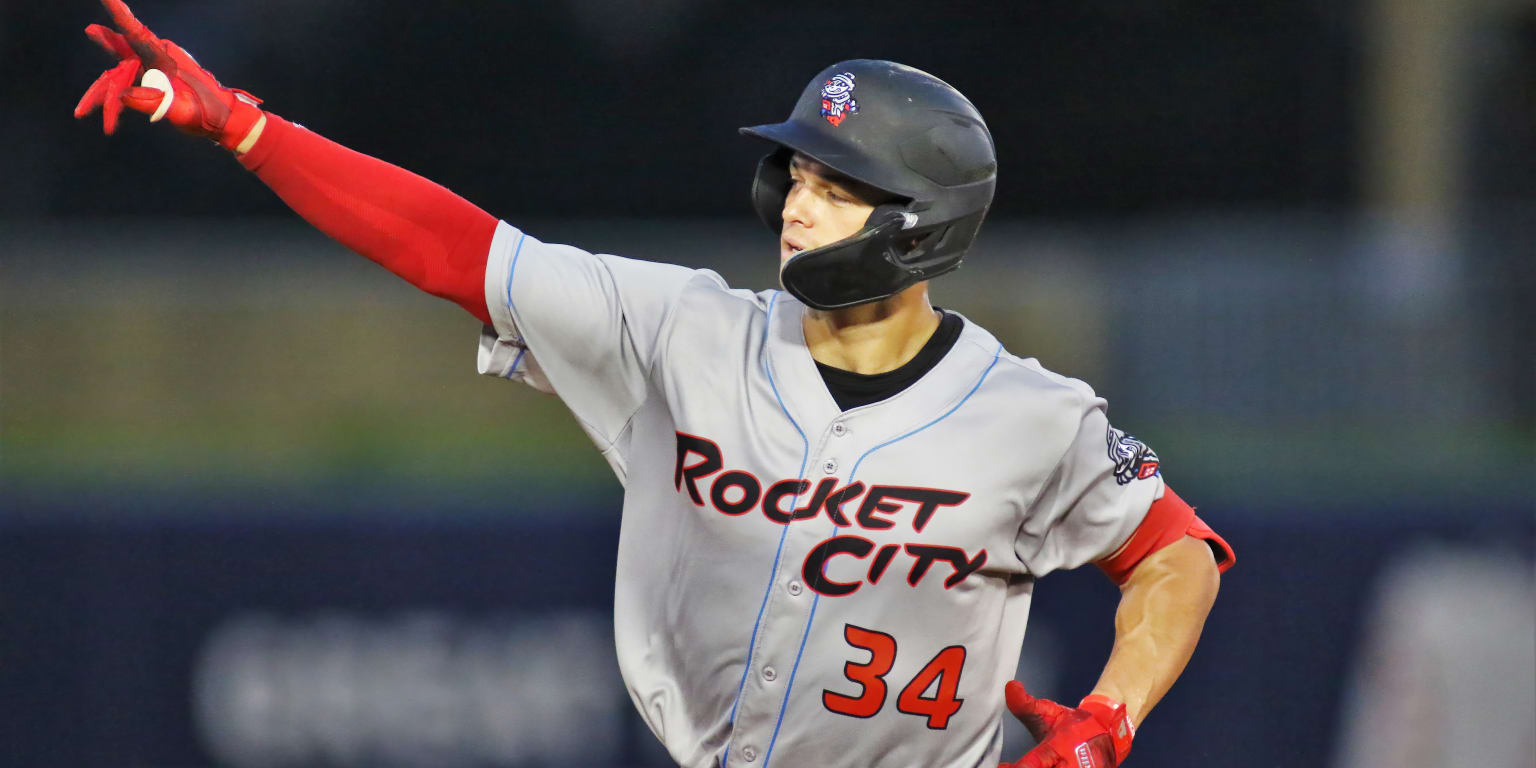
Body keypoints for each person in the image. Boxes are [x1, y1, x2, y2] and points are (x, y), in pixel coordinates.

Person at [74, 2, 1235, 766]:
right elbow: (453, 246)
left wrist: (1109, 716)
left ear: (920, 226)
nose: (796, 201)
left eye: (838, 186)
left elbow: (1177, 553)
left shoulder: (1026, 415)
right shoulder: (685, 333)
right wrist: (241, 126)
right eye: (798, 172)